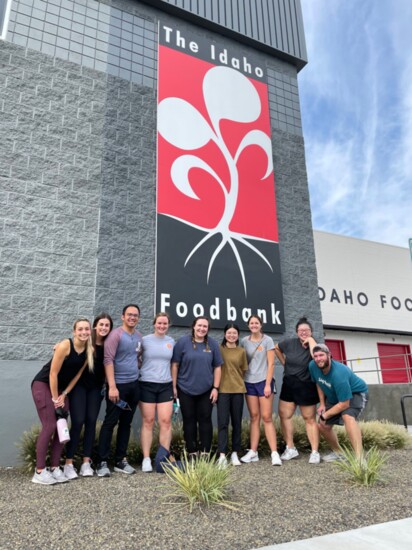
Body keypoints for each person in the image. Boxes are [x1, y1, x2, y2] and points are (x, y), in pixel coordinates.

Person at [31, 318, 94, 485]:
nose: (83, 332)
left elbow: (78, 375)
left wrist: (64, 394)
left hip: (61, 391)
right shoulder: (65, 345)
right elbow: (52, 373)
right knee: (50, 425)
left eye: (86, 329)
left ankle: (54, 467)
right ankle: (39, 471)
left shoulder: (89, 350)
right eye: (80, 329)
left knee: (62, 428)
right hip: (43, 385)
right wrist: (54, 398)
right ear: (74, 331)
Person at [63, 313, 113, 479]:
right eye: (101, 325)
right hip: (79, 387)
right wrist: (58, 346)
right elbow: (71, 345)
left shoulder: (109, 344)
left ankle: (86, 462)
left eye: (107, 325)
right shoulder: (87, 340)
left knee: (91, 422)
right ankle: (68, 463)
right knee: (78, 422)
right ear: (95, 326)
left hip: (96, 389)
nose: (104, 328)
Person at [96, 304, 143, 477]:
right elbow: (108, 360)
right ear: (123, 316)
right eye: (129, 315)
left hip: (133, 387)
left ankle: (120, 460)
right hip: (118, 388)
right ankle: (101, 462)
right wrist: (112, 386)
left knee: (126, 423)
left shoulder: (138, 336)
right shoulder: (115, 335)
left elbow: (136, 357)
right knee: (110, 422)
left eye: (135, 315)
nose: (132, 317)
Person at [171, 316, 222, 456]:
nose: (202, 329)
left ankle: (206, 452)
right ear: (194, 326)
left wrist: (215, 388)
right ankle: (192, 451)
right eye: (199, 325)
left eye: (205, 326)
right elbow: (175, 365)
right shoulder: (182, 342)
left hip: (206, 390)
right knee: (189, 420)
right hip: (185, 389)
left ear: (208, 329)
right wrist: (174, 386)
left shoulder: (212, 344)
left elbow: (217, 367)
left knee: (205, 419)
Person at [309, 344, 369, 460]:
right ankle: (338, 453)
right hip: (335, 396)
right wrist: (322, 404)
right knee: (322, 425)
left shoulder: (339, 373)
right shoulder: (313, 366)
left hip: (356, 393)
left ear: (329, 355)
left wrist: (325, 415)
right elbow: (319, 382)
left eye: (321, 355)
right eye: (315, 356)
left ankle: (359, 458)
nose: (318, 359)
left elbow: (344, 404)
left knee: (348, 416)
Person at [275, 317, 320, 464]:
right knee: (285, 416)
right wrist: (284, 363)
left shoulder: (315, 345)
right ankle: (291, 448)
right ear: (296, 332)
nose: (303, 332)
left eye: (306, 330)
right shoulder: (289, 343)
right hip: (289, 383)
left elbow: (316, 356)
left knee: (310, 419)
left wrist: (311, 341)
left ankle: (314, 452)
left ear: (311, 331)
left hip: (307, 385)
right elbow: (276, 348)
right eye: (301, 330)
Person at [240, 315, 282, 466]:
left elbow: (271, 364)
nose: (254, 325)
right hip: (249, 382)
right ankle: (253, 451)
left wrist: (267, 384)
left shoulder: (267, 340)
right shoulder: (244, 341)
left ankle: (274, 453)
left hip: (264, 381)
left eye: (256, 323)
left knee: (267, 417)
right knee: (254, 417)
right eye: (251, 323)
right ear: (248, 325)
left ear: (260, 325)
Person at [139, 312, 175, 473]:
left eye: (165, 323)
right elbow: (134, 357)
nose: (162, 326)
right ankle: (146, 458)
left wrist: (174, 386)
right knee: (148, 420)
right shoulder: (144, 340)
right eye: (159, 323)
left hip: (165, 385)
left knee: (166, 421)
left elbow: (173, 364)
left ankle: (163, 457)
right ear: (154, 324)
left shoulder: (171, 341)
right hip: (146, 384)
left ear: (168, 325)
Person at [217, 323, 248, 467]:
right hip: (222, 390)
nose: (231, 335)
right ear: (225, 334)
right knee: (223, 423)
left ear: (238, 335)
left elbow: (243, 370)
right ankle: (222, 455)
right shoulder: (219, 349)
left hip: (237, 390)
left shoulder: (241, 351)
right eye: (229, 333)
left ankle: (235, 453)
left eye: (234, 333)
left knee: (236, 423)